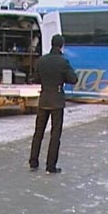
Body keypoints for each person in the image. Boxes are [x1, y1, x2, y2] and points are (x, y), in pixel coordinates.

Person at [29, 34, 78, 174]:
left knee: (38, 132)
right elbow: (73, 79)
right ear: (61, 46)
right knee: (55, 134)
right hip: (57, 101)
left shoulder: (42, 60)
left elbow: (36, 78)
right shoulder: (63, 62)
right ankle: (51, 166)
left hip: (43, 99)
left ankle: (33, 162)